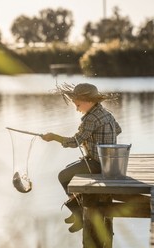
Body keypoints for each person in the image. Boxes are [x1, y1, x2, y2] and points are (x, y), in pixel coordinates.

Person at [41, 83, 122, 233]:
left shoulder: (90, 119)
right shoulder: (106, 113)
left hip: (99, 164)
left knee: (63, 176)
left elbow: (75, 141)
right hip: (110, 162)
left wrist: (54, 137)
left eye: (78, 105)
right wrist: (100, 141)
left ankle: (79, 212)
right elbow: (118, 129)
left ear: (89, 101)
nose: (77, 109)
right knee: (68, 171)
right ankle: (77, 210)